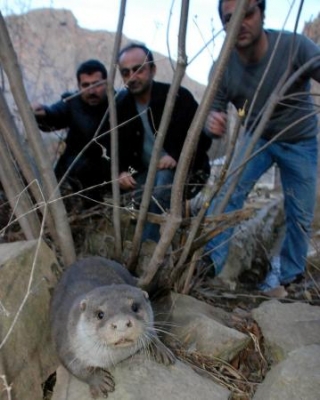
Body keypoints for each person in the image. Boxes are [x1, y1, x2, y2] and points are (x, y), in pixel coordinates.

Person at [202, 0, 320, 292]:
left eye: (248, 13)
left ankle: (291, 277)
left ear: (262, 14)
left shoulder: (295, 45)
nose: (239, 23)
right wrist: (212, 122)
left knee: (300, 212)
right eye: (230, 18)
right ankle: (212, 270)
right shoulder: (222, 68)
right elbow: (212, 112)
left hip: (300, 139)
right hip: (257, 139)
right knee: (227, 196)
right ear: (223, 25)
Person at [116, 43, 211, 242]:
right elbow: (114, 148)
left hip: (185, 173)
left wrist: (176, 156)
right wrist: (122, 171)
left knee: (163, 182)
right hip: (144, 174)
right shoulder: (121, 105)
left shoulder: (177, 97)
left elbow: (202, 137)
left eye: (139, 69)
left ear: (153, 69)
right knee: (129, 198)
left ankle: (148, 248)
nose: (132, 77)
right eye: (126, 72)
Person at [33, 59, 112, 205]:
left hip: (108, 171)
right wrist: (42, 113)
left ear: (106, 83)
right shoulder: (72, 102)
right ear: (79, 86)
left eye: (96, 84)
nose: (92, 91)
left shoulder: (118, 102)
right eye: (86, 85)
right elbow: (54, 114)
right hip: (73, 170)